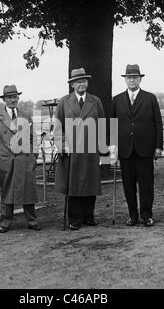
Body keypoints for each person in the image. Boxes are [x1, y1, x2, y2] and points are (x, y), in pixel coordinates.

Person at [111, 64, 163, 227]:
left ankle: (147, 215)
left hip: (145, 149)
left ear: (140, 79)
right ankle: (133, 215)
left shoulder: (150, 98)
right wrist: (112, 147)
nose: (131, 80)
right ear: (125, 80)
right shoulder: (117, 99)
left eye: (134, 77)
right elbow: (112, 125)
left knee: (146, 184)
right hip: (125, 150)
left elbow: (158, 124)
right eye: (129, 77)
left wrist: (158, 146)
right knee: (128, 184)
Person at [54, 68, 106, 230]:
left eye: (83, 81)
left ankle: (88, 216)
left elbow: (102, 125)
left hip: (91, 150)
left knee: (90, 183)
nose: (81, 84)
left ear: (87, 83)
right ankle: (74, 218)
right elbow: (58, 127)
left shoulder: (95, 101)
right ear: (72, 85)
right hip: (72, 150)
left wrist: (102, 147)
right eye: (78, 82)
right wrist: (62, 146)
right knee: (74, 184)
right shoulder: (64, 102)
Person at [0, 85, 40, 233]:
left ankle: (32, 220)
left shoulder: (25, 115)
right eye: (9, 97)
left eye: (15, 97)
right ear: (4, 100)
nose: (12, 100)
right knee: (7, 190)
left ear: (18, 98)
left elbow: (33, 137)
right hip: (6, 159)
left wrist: (34, 156)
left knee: (28, 189)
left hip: (24, 159)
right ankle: (5, 221)